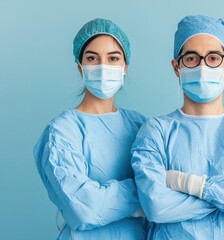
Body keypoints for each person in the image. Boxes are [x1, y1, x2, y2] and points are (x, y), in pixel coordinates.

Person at [131, 15, 224, 239]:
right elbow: (156, 206)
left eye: (213, 58)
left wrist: (186, 183)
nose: (202, 66)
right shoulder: (156, 131)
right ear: (176, 67)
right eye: (191, 58)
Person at [33, 18, 146, 239]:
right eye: (92, 58)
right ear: (80, 67)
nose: (103, 67)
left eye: (113, 58)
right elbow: (83, 209)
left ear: (125, 67)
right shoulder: (62, 132)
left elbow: (171, 184)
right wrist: (145, 192)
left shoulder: (140, 125)